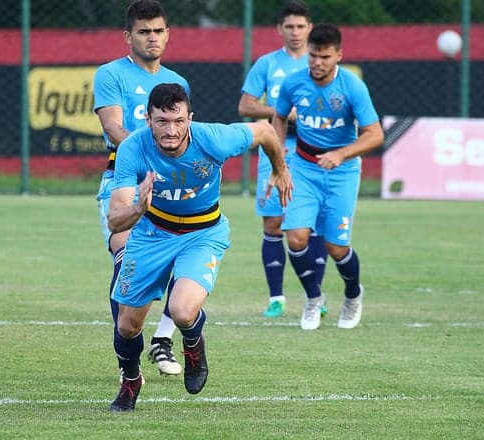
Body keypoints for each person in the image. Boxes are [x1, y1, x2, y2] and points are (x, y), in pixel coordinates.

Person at [107, 83, 292, 411]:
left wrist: (280, 169)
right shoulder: (132, 149)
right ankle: (131, 380)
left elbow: (265, 130)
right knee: (127, 324)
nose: (171, 129)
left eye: (178, 120)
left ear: (190, 118)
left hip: (203, 234)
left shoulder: (213, 139)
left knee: (181, 310)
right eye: (162, 121)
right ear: (148, 120)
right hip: (152, 234)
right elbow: (114, 219)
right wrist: (138, 208)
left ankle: (192, 343)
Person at [93, 0, 189, 376]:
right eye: (144, 31)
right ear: (128, 36)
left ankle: (163, 340)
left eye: (158, 31)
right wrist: (147, 158)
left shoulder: (177, 83)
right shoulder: (111, 74)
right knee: (127, 258)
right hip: (123, 179)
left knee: (178, 261)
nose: (152, 38)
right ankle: (127, 357)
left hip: (171, 186)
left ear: (168, 34)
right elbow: (114, 129)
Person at [272, 23, 384, 331]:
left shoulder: (352, 87)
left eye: (324, 56)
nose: (317, 63)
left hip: (342, 171)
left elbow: (375, 135)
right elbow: (279, 117)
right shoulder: (294, 83)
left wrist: (342, 154)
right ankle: (313, 298)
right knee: (295, 237)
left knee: (336, 247)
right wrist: (278, 157)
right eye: (312, 56)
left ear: (338, 56)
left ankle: (352, 294)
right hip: (304, 168)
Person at [238, 1, 329, 319]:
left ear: (310, 28)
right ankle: (276, 297)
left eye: (301, 26)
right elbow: (246, 106)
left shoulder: (320, 64)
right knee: (274, 223)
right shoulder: (266, 64)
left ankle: (316, 295)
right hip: (275, 150)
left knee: (313, 224)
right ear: (280, 30)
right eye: (289, 26)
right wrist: (279, 112)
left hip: (313, 153)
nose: (295, 32)